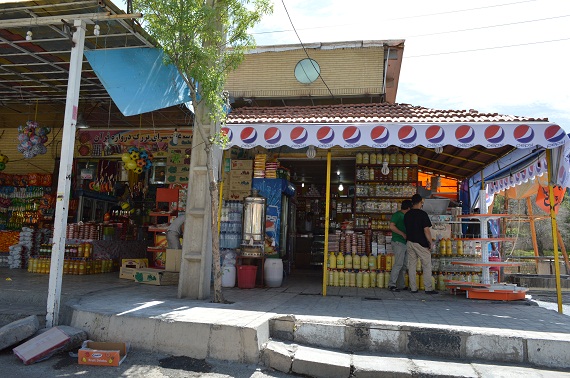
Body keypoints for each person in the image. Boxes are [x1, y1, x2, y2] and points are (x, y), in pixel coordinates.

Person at [404, 194, 438, 294]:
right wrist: (430, 242)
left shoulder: (407, 214)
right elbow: (426, 230)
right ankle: (428, 288)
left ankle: (413, 288)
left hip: (410, 242)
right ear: (420, 203)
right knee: (426, 265)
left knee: (412, 265)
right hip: (421, 243)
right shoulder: (422, 214)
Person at [388, 199, 413, 292]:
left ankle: (401, 285)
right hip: (398, 242)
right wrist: (402, 233)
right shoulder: (397, 215)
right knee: (398, 264)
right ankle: (392, 284)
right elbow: (391, 226)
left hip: (405, 242)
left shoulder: (406, 216)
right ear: (408, 208)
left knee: (404, 265)